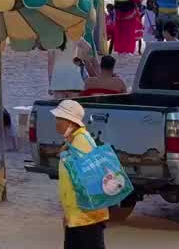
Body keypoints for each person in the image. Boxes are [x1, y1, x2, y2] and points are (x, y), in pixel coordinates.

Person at [51, 100, 110, 249]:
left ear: (71, 122)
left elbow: (91, 180)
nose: (56, 123)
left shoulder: (81, 142)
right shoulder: (72, 140)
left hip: (87, 216)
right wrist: (68, 214)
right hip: (77, 215)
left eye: (60, 119)